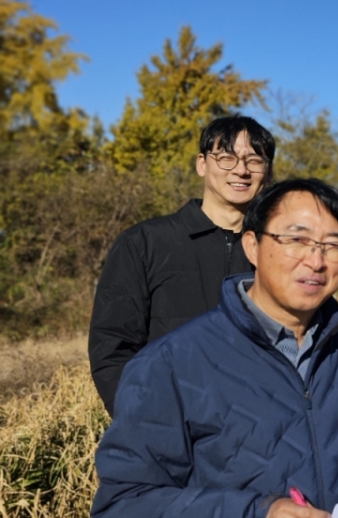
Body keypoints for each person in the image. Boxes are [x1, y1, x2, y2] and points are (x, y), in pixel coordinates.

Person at [91, 179, 338, 518]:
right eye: (296, 240)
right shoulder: (172, 362)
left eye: (333, 245)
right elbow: (124, 503)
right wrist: (259, 511)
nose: (316, 261)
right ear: (252, 246)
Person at [89, 115, 276, 415]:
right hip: (168, 426)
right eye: (226, 158)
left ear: (267, 171)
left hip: (260, 429)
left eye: (254, 160)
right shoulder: (144, 243)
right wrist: (141, 423)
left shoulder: (279, 250)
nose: (241, 170)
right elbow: (112, 349)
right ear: (202, 164)